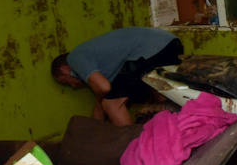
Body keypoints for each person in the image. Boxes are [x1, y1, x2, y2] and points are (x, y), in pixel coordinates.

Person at [52, 27, 184, 126]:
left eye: (67, 82)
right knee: (154, 94)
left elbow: (104, 88)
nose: (73, 86)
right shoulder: (104, 66)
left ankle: (131, 145)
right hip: (170, 43)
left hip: (150, 50)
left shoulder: (74, 58)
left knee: (111, 103)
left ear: (64, 69)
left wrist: (100, 100)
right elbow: (104, 96)